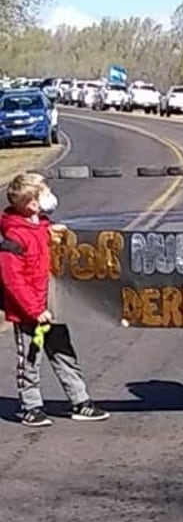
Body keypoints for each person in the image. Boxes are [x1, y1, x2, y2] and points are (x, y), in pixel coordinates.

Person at [0, 173, 109, 427]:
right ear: (31, 204)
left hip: (53, 307)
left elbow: (45, 244)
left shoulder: (40, 227)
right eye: (44, 193)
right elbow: (12, 280)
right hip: (30, 314)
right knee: (30, 359)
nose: (50, 197)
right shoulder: (14, 238)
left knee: (63, 353)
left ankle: (79, 401)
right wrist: (34, 310)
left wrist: (51, 230)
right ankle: (31, 406)